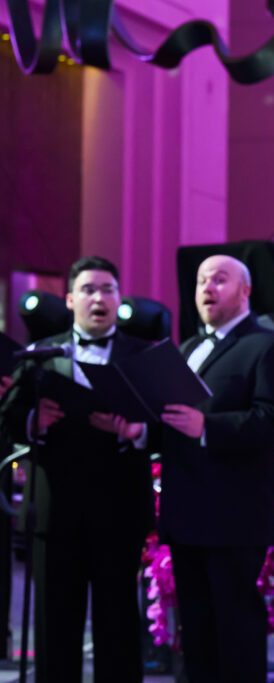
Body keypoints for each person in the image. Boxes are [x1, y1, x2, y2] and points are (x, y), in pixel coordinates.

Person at [0, 256, 152, 682]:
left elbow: (168, 424)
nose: (98, 298)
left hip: (120, 512)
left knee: (118, 626)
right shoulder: (40, 355)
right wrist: (34, 422)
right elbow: (7, 419)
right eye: (88, 289)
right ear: (69, 299)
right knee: (55, 626)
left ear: (119, 299)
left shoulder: (144, 357)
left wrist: (136, 432)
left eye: (107, 289)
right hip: (55, 512)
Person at [157, 254, 274, 682]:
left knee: (235, 628)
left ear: (245, 291)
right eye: (202, 280)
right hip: (187, 510)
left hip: (233, 514)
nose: (207, 288)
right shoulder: (188, 348)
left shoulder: (268, 345)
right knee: (196, 628)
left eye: (220, 279)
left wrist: (208, 428)